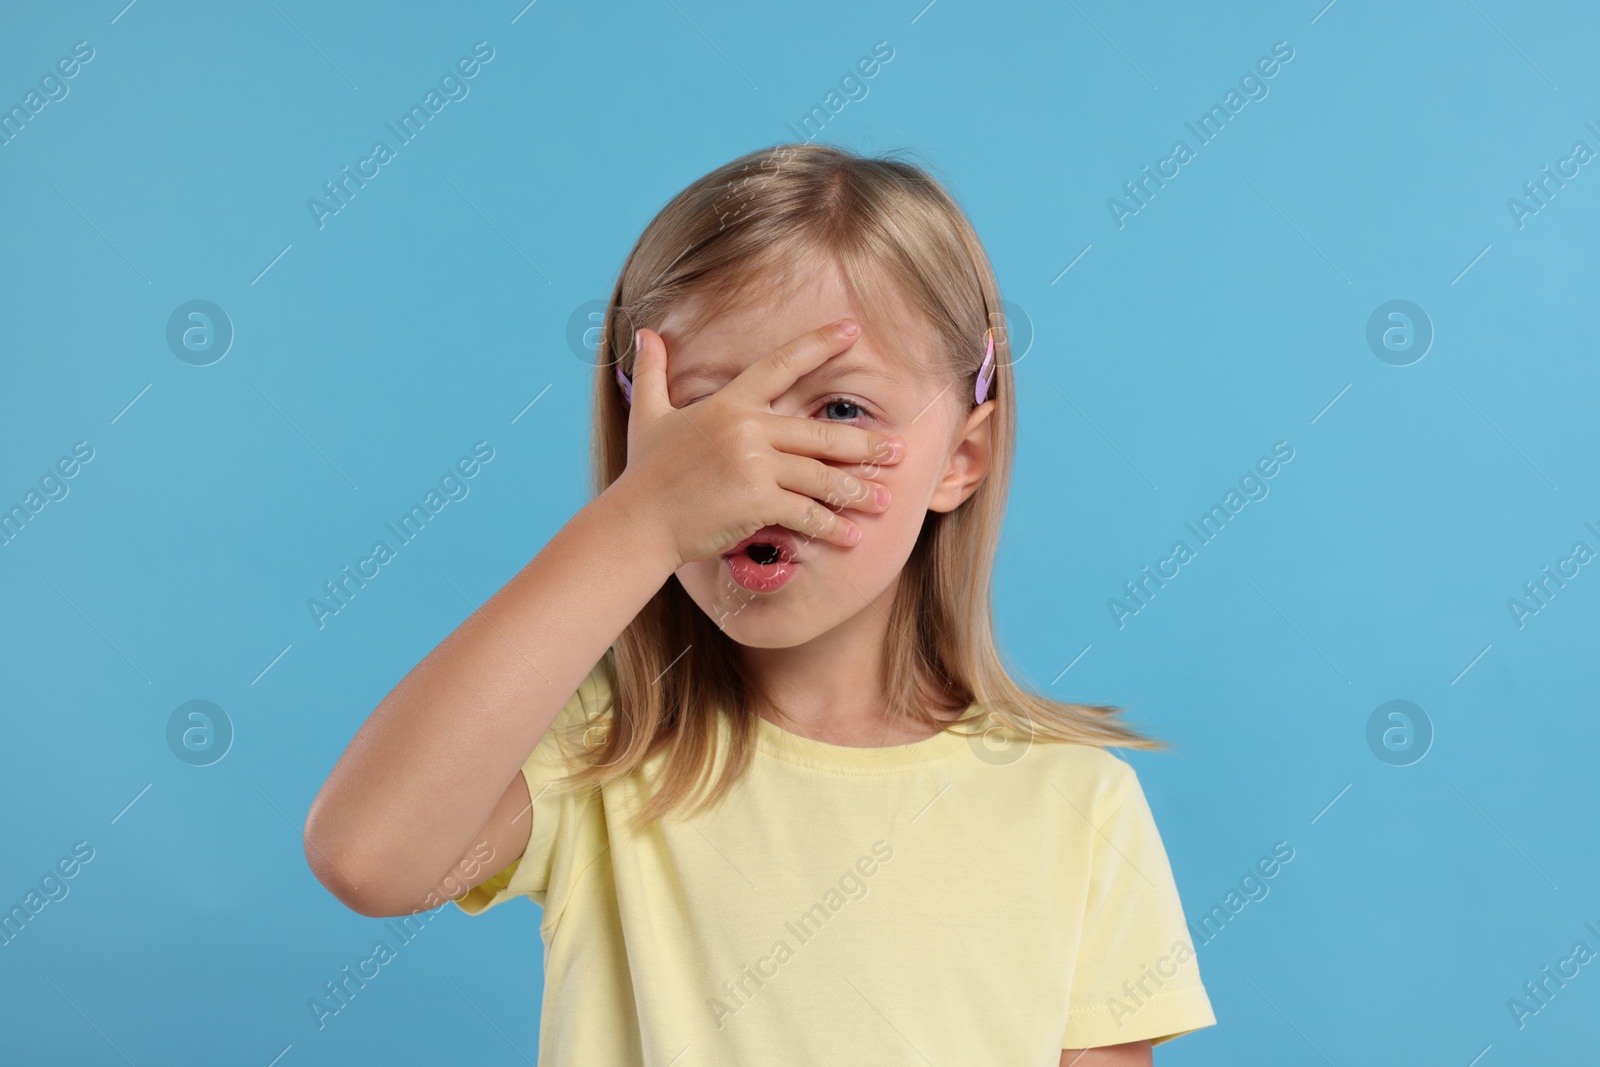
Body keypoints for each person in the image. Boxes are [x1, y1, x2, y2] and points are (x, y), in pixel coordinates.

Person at [304, 142, 1217, 1065]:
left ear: (961, 458)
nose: (757, 471)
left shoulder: (1076, 804)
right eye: (707, 418)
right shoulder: (606, 752)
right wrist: (643, 522)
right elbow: (369, 856)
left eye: (841, 412)